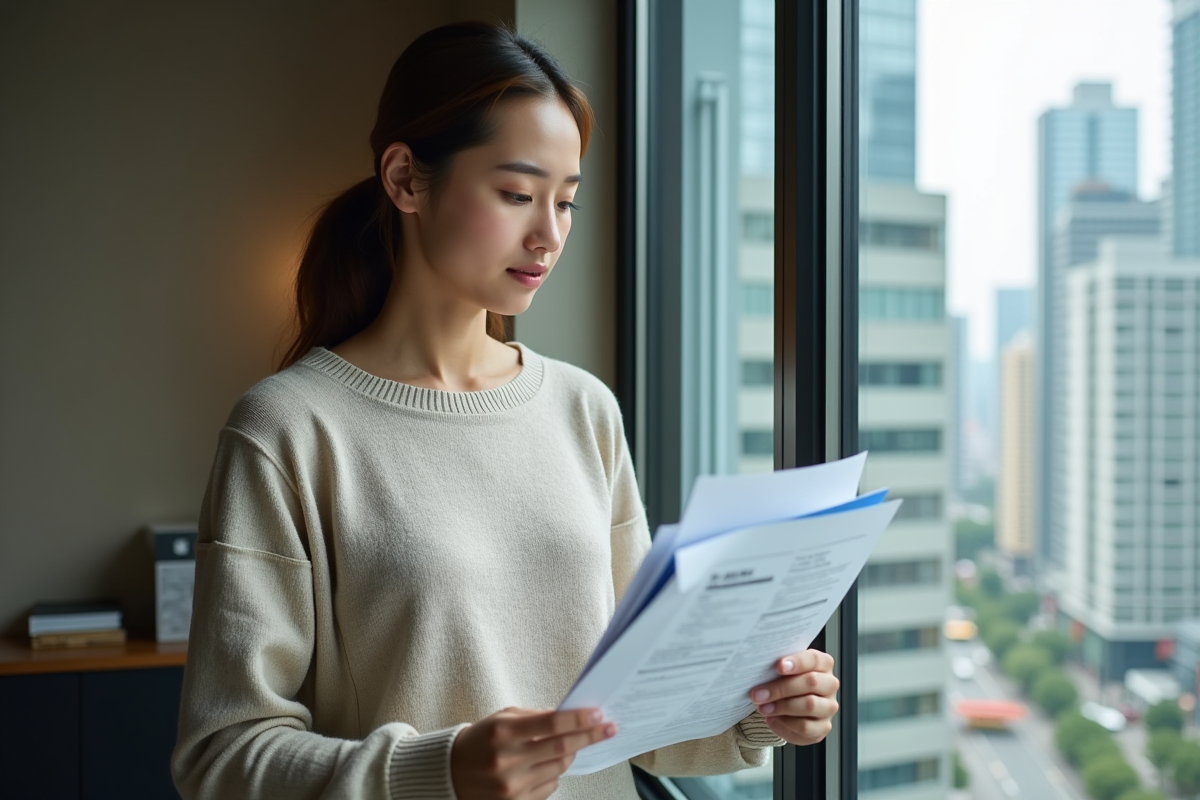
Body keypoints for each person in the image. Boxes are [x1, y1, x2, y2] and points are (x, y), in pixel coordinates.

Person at [171, 21, 840, 800]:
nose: (548, 235)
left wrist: (760, 710)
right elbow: (221, 757)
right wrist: (440, 770)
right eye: (518, 194)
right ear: (405, 179)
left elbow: (633, 717)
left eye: (567, 203)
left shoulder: (584, 409)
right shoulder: (287, 430)